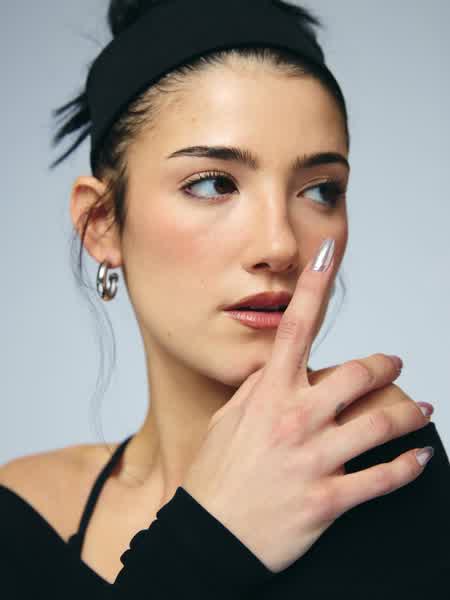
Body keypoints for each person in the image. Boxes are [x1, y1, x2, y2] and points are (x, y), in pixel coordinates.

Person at [1, 1, 449, 598]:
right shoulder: (23, 515)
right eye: (214, 184)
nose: (280, 245)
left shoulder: (372, 461)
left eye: (320, 190)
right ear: (102, 223)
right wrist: (208, 539)